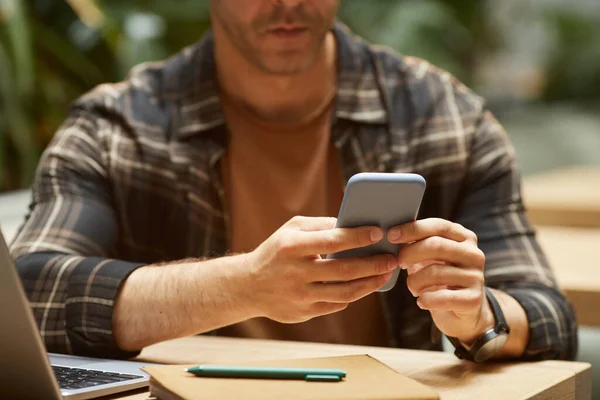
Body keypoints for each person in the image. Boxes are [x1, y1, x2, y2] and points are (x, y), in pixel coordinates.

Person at [11, 0, 576, 361]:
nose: (287, 2)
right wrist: (242, 285)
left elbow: (549, 317)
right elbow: (27, 294)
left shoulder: (445, 116)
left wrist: (479, 318)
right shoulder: (119, 126)